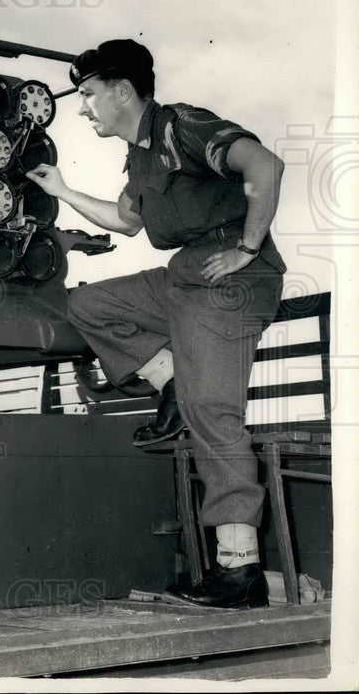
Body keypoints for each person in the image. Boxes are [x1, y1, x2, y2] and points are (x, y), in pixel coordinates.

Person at [26, 39, 286, 608]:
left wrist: (248, 246)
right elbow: (123, 221)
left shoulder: (181, 128)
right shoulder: (140, 153)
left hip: (229, 280)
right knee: (91, 305)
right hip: (186, 273)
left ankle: (239, 572)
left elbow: (264, 165)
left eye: (89, 95)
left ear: (122, 91)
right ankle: (171, 383)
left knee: (212, 415)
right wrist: (62, 190)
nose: (83, 107)